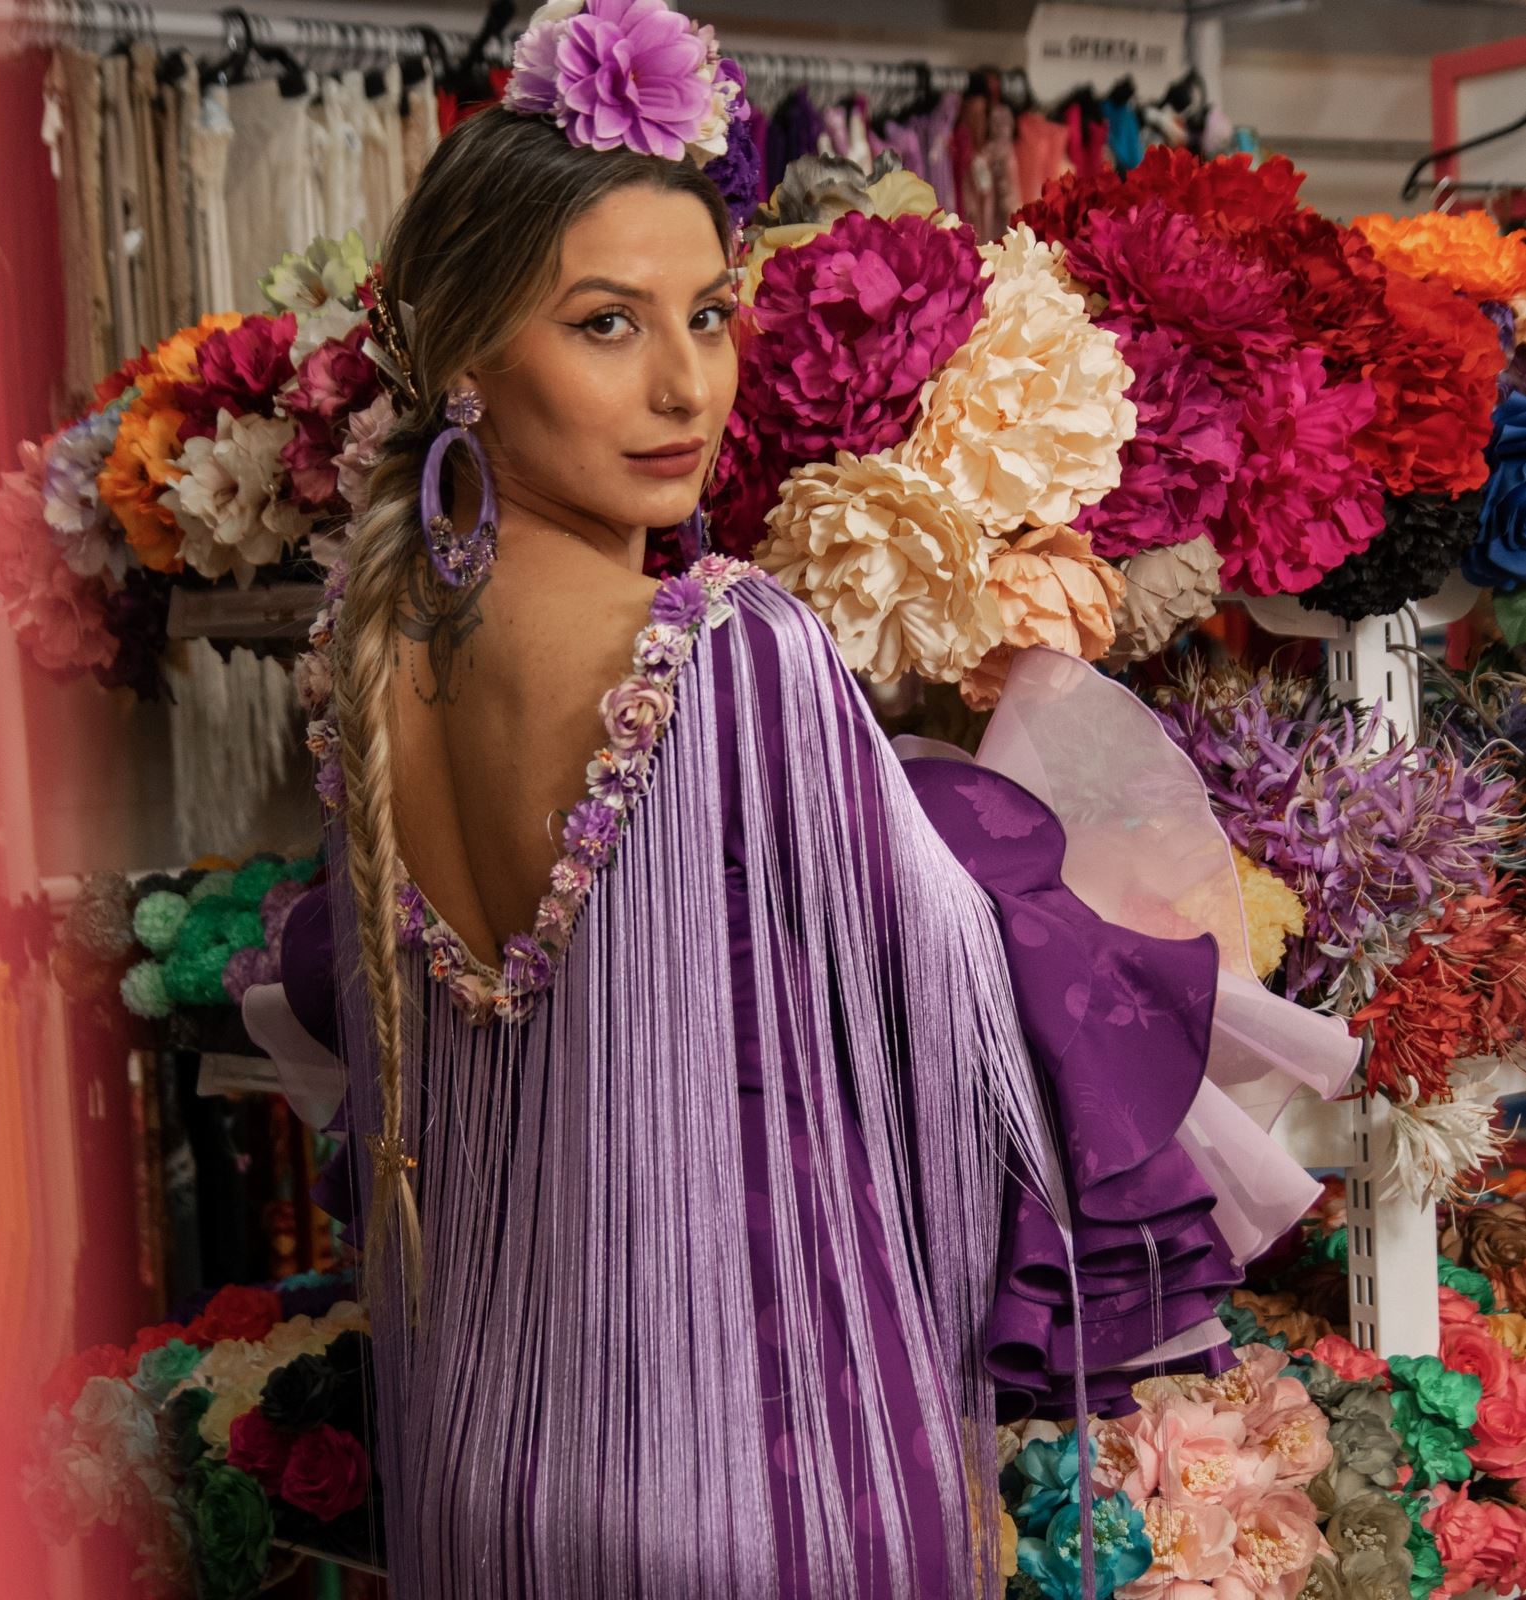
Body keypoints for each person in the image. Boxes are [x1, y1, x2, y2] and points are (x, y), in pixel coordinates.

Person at [251, 6, 1355, 1595]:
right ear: (465, 357)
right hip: (753, 1475)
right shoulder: (726, 646)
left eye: (706, 315)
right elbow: (968, 1058)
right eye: (605, 325)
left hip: (498, 1462)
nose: (685, 384)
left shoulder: (369, 655)